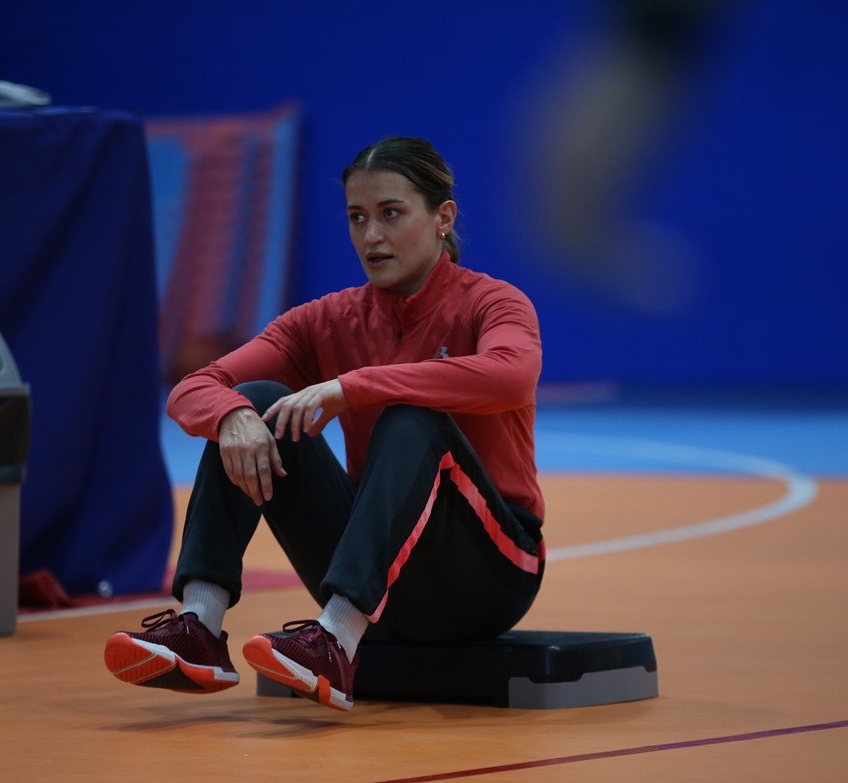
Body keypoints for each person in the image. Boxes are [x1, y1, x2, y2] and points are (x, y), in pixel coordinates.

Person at [103, 136, 546, 711]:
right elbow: (194, 388)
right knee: (255, 400)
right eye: (357, 217)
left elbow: (511, 376)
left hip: (490, 575)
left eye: (391, 214)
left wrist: (353, 386)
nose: (371, 235)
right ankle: (200, 626)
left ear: (443, 218)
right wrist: (231, 415)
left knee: (410, 417)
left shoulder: (495, 303)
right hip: (386, 579)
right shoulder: (325, 320)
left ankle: (336, 638)